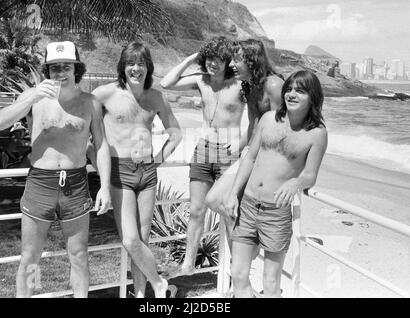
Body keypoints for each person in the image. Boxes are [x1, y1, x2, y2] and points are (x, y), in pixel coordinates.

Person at [0, 40, 111, 298]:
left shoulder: (89, 103)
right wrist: (32, 97)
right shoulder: (35, 97)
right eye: (54, 67)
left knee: (79, 255)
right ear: (47, 70)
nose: (60, 73)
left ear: (75, 69)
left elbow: (101, 146)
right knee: (30, 257)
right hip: (41, 183)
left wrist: (104, 186)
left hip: (76, 184)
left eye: (66, 67)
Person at [225, 70, 328, 297]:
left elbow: (311, 174)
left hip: (276, 212)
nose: (291, 94)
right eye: (289, 89)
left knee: (271, 283)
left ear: (313, 97)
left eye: (300, 91)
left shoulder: (317, 134)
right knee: (238, 274)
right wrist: (234, 193)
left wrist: (296, 183)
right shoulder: (268, 119)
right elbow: (250, 157)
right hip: (249, 205)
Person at [91, 41, 182, 298]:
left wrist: (157, 161)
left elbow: (175, 134)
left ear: (148, 67)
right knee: (130, 240)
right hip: (120, 172)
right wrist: (94, 159)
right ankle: (160, 284)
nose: (135, 68)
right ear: (123, 66)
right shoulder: (104, 94)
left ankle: (140, 295)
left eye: (141, 63)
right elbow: (88, 131)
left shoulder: (155, 97)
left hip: (148, 174)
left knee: (142, 240)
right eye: (130, 63)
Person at [160, 36, 250, 278]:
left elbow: (259, 118)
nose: (213, 64)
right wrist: (192, 58)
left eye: (219, 59)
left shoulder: (241, 85)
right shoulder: (201, 80)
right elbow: (167, 83)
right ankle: (187, 265)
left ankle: (237, 274)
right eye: (209, 58)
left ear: (227, 60)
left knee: (229, 213)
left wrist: (241, 143)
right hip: (203, 150)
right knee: (197, 210)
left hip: (229, 155)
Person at [205, 39, 284, 247]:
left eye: (237, 60)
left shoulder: (274, 85)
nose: (232, 64)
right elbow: (253, 126)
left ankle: (243, 254)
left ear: (252, 60)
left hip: (265, 160)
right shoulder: (249, 86)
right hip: (250, 155)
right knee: (213, 199)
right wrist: (240, 149)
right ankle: (246, 247)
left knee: (224, 201)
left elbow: (282, 130)